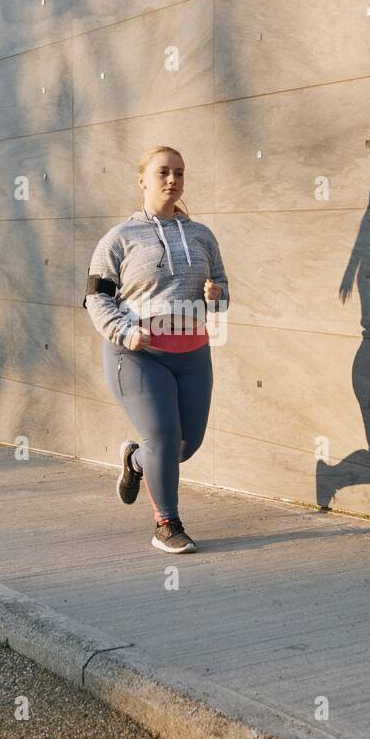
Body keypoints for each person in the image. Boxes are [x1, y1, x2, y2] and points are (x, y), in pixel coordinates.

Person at [82, 146, 230, 553]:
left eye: (179, 173)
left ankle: (134, 461)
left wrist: (216, 295)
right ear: (142, 179)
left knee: (185, 445)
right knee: (164, 436)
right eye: (163, 172)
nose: (172, 180)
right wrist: (124, 332)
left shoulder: (202, 235)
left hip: (193, 352)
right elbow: (95, 298)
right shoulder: (119, 238)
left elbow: (222, 294)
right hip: (137, 353)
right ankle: (167, 524)